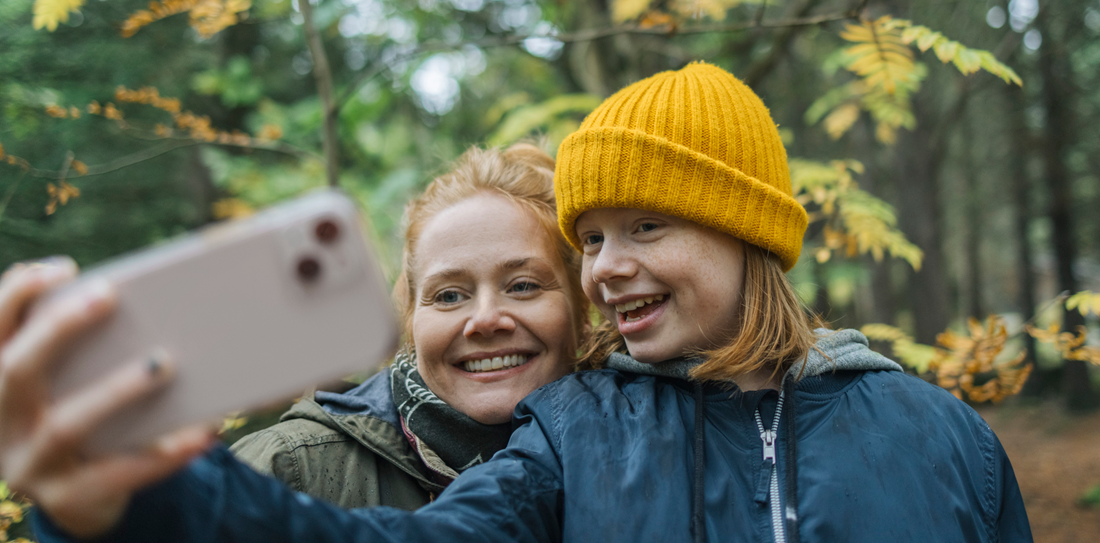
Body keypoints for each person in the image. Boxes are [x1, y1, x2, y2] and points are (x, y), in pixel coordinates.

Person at [3, 62, 1033, 542]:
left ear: (748, 231)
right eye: (588, 240)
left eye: (646, 228)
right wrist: (141, 504)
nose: (606, 267)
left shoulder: (944, 437)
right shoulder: (575, 433)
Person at [228, 143, 589, 509]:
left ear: (582, 305)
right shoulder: (286, 474)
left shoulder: (632, 451)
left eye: (523, 286)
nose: (485, 320)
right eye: (449, 296)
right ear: (411, 318)